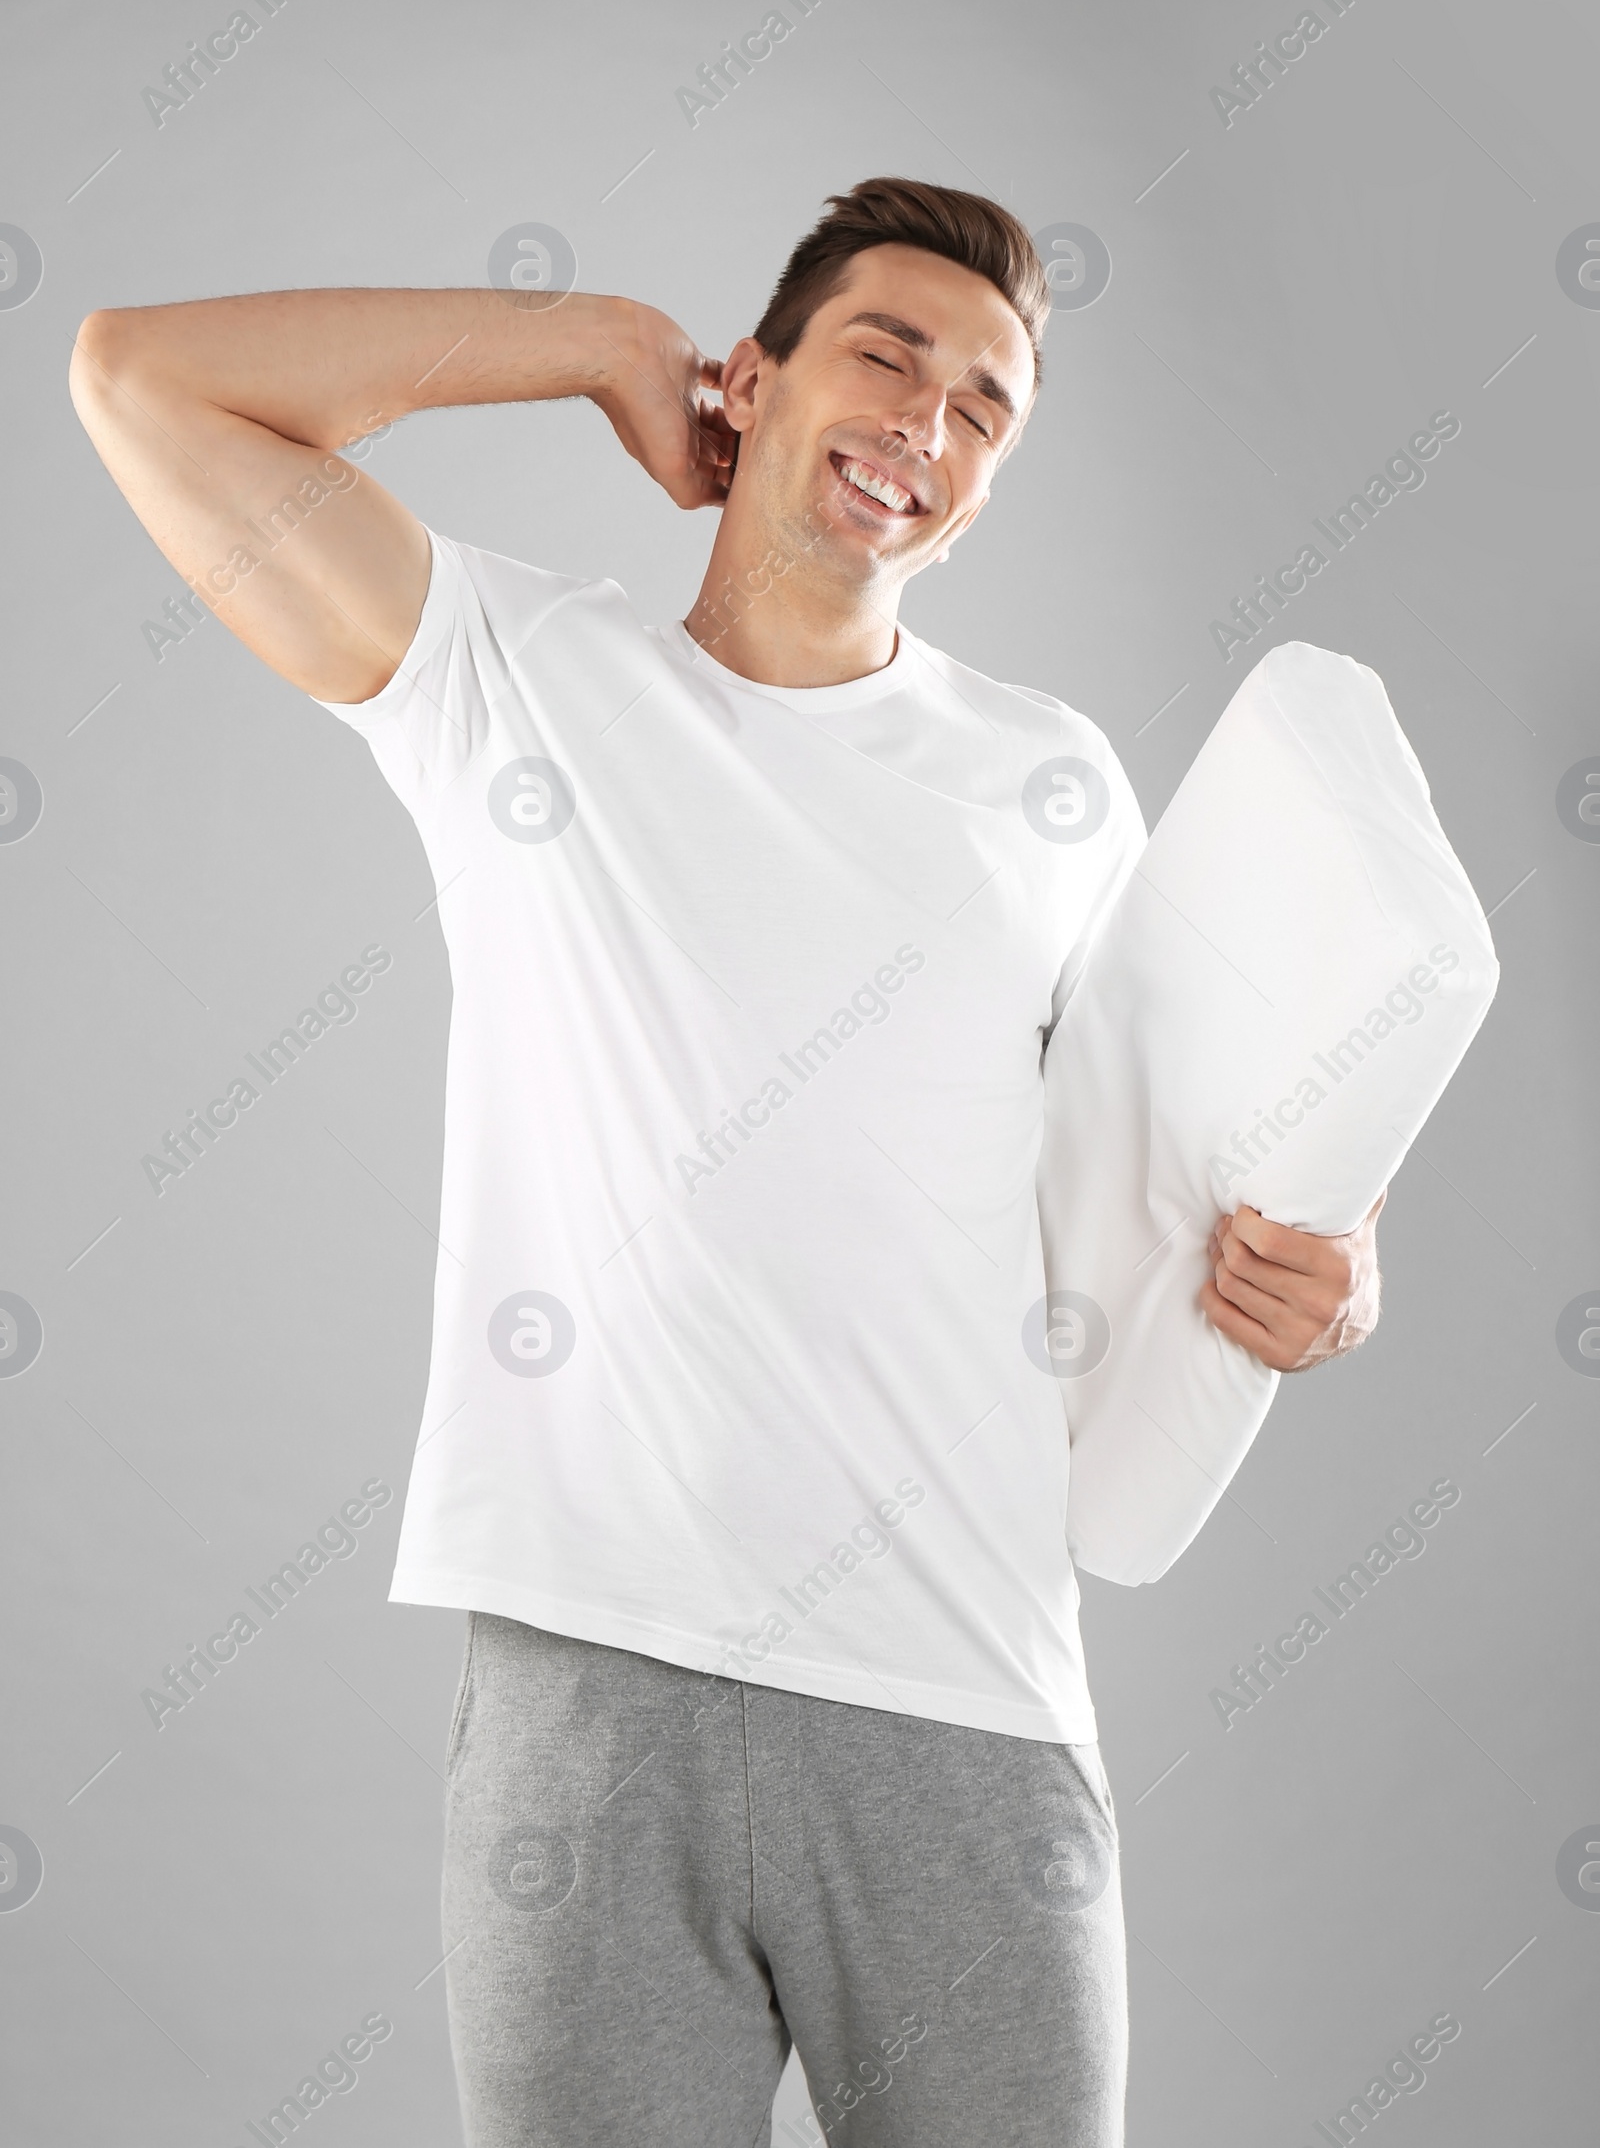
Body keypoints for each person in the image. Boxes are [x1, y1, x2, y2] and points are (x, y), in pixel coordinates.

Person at [70, 176, 1381, 2147]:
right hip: (589, 1713)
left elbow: (1212, 1166)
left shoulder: (1046, 789)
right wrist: (598, 341)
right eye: (884, 355)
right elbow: (142, 379)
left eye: (985, 409)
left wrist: (1337, 1269)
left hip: (959, 1700)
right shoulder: (502, 681)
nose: (925, 426)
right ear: (752, 379)